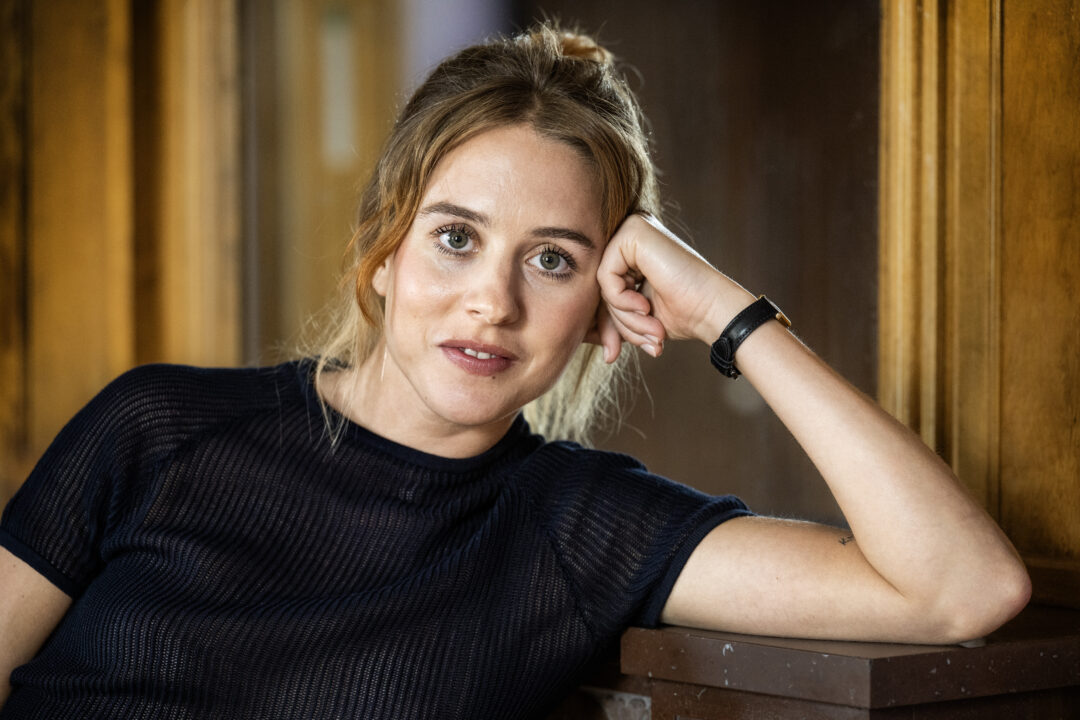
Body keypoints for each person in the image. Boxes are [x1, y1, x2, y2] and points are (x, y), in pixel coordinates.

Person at [0, 22, 1029, 720]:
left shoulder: (576, 530)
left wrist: (725, 309)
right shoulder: (156, 428)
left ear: (601, 306)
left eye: (553, 261)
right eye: (456, 238)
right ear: (384, 248)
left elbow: (963, 588)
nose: (493, 301)